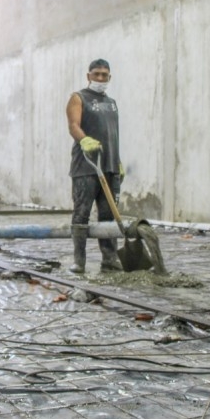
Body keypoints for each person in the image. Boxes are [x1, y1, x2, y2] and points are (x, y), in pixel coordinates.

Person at [66, 58, 125, 273]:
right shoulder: (78, 97)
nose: (100, 78)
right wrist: (84, 140)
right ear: (88, 76)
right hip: (86, 166)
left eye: (104, 75)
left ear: (109, 77)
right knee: (81, 213)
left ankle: (110, 258)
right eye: (96, 74)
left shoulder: (112, 103)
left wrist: (117, 161)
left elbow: (113, 135)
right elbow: (73, 125)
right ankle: (79, 261)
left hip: (109, 167)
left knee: (109, 215)